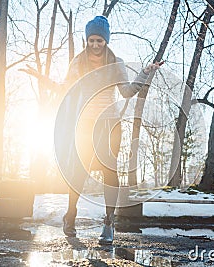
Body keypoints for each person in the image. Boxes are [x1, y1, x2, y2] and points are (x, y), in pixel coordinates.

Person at [22, 15, 161, 245]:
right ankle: (71, 214)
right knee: (78, 172)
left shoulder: (116, 63)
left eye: (100, 41)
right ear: (87, 40)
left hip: (109, 124)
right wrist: (41, 78)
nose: (95, 45)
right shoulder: (78, 63)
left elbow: (126, 91)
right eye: (92, 40)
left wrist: (145, 73)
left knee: (110, 173)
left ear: (106, 41)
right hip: (84, 125)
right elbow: (64, 88)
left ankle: (108, 222)